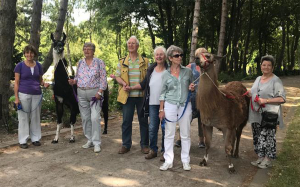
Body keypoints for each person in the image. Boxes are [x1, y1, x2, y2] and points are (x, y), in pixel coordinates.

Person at [159, 45, 195, 171]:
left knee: (185, 134)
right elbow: (162, 93)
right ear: (170, 58)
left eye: (181, 55)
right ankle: (168, 161)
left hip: (185, 104)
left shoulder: (188, 72)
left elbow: (192, 86)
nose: (180, 57)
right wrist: (161, 109)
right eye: (176, 55)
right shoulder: (165, 74)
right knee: (169, 134)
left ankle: (185, 160)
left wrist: (192, 88)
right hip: (169, 105)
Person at [129, 46, 168, 161]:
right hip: (152, 104)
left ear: (165, 56)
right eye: (157, 54)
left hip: (166, 104)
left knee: (165, 128)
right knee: (152, 128)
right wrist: (131, 87)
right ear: (154, 56)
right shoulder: (151, 69)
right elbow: (143, 84)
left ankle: (165, 152)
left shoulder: (169, 70)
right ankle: (153, 150)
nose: (159, 56)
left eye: (161, 54)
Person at [68, 42, 107, 153]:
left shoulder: (99, 62)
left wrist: (100, 92)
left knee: (95, 118)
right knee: (85, 118)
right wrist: (73, 81)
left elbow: (103, 79)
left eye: (88, 49)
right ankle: (89, 139)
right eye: (84, 49)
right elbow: (77, 77)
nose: (86, 51)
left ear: (93, 51)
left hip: (95, 94)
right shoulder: (80, 62)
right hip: (81, 93)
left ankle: (96, 142)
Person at [248, 55, 286, 169]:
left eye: (269, 65)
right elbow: (253, 91)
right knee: (257, 135)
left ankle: (267, 159)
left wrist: (266, 100)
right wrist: (248, 93)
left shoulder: (276, 80)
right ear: (261, 66)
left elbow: (282, 99)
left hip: (269, 114)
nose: (266, 67)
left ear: (272, 67)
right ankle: (260, 157)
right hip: (256, 113)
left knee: (267, 136)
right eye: (264, 65)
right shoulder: (258, 78)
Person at [115, 36, 149, 154]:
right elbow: (117, 76)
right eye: (129, 43)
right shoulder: (122, 61)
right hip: (127, 96)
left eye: (133, 43)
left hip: (141, 96)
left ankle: (144, 145)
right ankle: (126, 144)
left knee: (143, 121)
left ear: (137, 46)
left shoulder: (145, 61)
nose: (131, 45)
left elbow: (149, 78)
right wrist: (123, 84)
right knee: (126, 121)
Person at [14, 45, 50, 149]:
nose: (29, 55)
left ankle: (35, 138)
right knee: (23, 117)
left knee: (35, 117)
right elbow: (16, 83)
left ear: (34, 54)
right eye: (27, 53)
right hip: (24, 94)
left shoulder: (38, 65)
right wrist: (16, 98)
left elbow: (40, 80)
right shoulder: (19, 66)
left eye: (31, 53)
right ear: (24, 54)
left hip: (37, 94)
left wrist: (44, 84)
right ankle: (23, 140)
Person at [175, 49, 206, 149]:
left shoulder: (207, 67)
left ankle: (202, 141)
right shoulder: (190, 66)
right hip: (191, 97)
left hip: (203, 98)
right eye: (199, 55)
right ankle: (180, 139)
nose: (201, 56)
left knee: (202, 120)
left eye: (203, 55)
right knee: (186, 118)